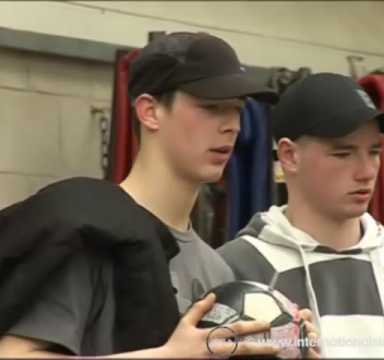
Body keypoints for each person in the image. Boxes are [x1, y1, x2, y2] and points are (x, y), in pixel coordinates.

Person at [0, 31, 285, 358]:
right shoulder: (94, 235)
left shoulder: (217, 270)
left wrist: (290, 345)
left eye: (236, 109)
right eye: (211, 107)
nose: (231, 125)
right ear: (149, 111)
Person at [218, 73, 384, 358]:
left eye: (374, 152)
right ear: (289, 156)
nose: (366, 171)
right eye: (343, 153)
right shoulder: (233, 270)